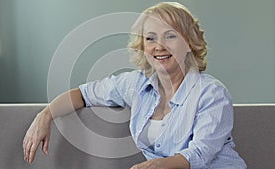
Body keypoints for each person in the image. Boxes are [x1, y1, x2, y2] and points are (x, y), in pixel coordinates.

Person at [23, 2, 247, 169]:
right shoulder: (135, 84)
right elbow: (83, 94)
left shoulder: (212, 93)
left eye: (170, 36)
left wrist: (156, 165)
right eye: (150, 38)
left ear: (189, 43)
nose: (159, 46)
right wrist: (45, 115)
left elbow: (200, 154)